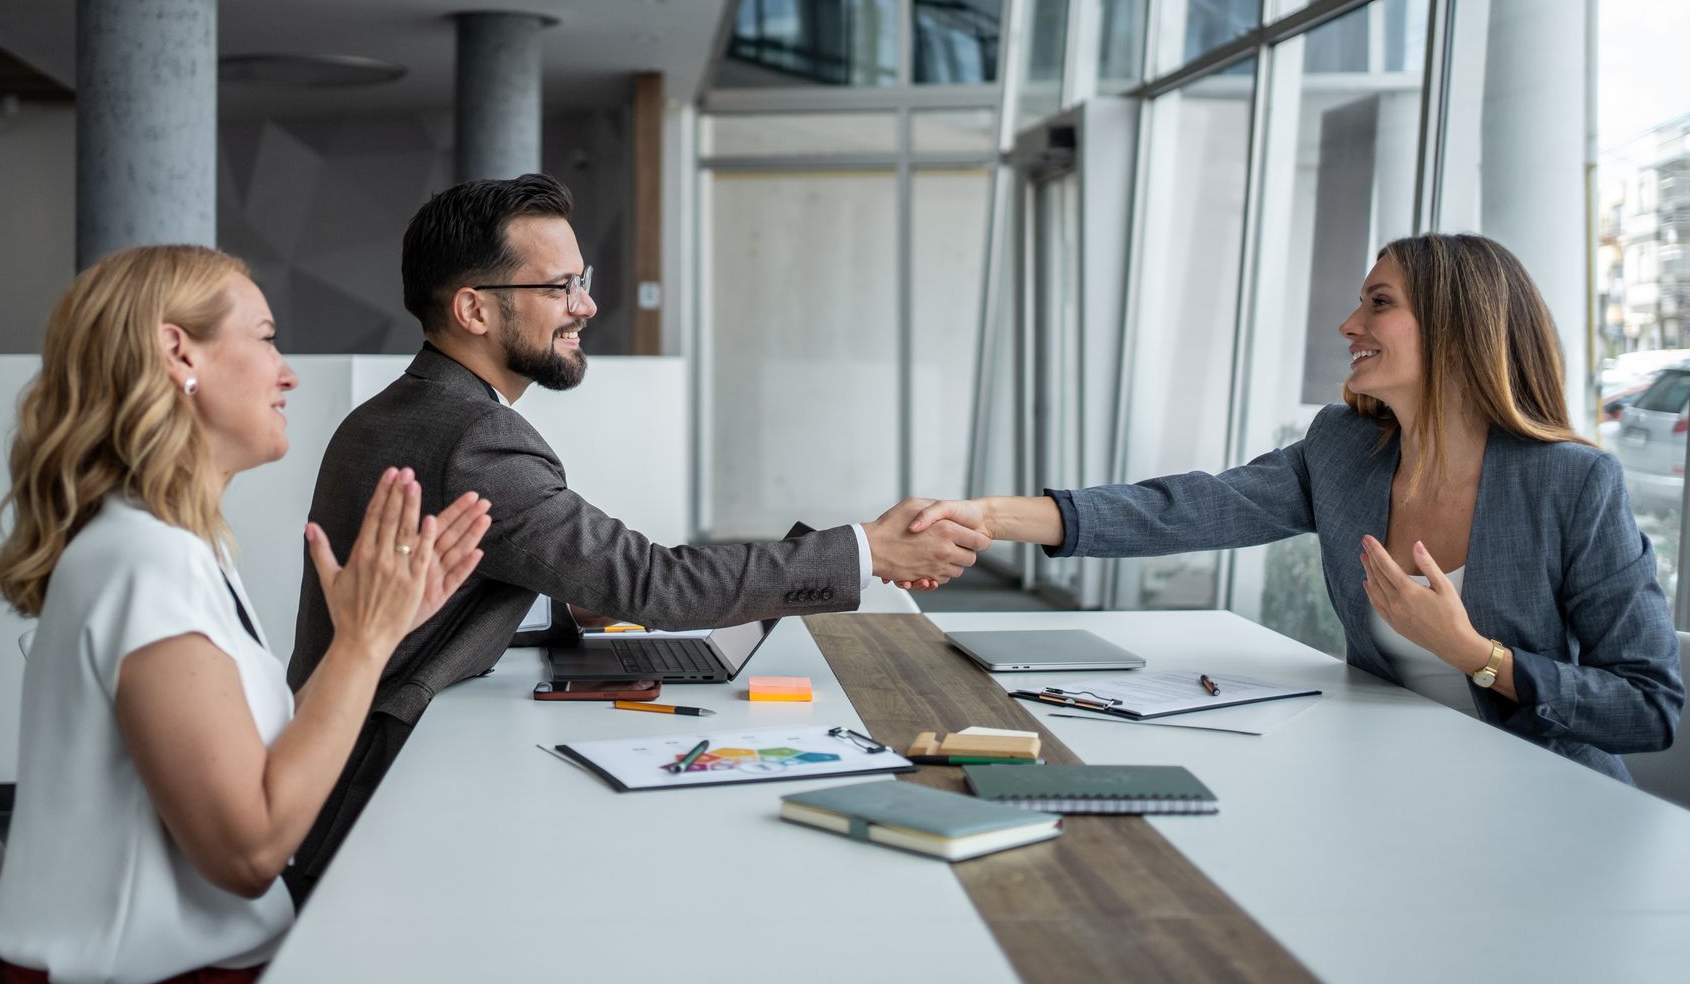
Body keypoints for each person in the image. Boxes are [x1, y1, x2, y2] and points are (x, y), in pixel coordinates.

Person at [285, 174, 988, 888]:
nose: (585, 306)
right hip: (383, 791)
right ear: (474, 309)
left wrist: (574, 597)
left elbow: (452, 583)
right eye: (560, 288)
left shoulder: (399, 411)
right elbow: (660, 584)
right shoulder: (476, 436)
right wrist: (870, 548)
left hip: (360, 761)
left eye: (580, 281)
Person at [907, 233, 1682, 779]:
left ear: (1455, 328)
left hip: (1540, 801)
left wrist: (1477, 655)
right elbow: (1188, 508)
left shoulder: (1573, 482)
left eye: (1378, 304)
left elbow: (1649, 708)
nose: (1350, 326)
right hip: (1388, 784)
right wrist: (990, 518)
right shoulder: (1346, 449)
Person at [0, 246, 493, 983]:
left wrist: (372, 637)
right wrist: (361, 644)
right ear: (176, 351)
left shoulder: (169, 546)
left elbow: (265, 758)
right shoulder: (143, 564)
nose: (287, 371)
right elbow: (251, 855)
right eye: (264, 335)